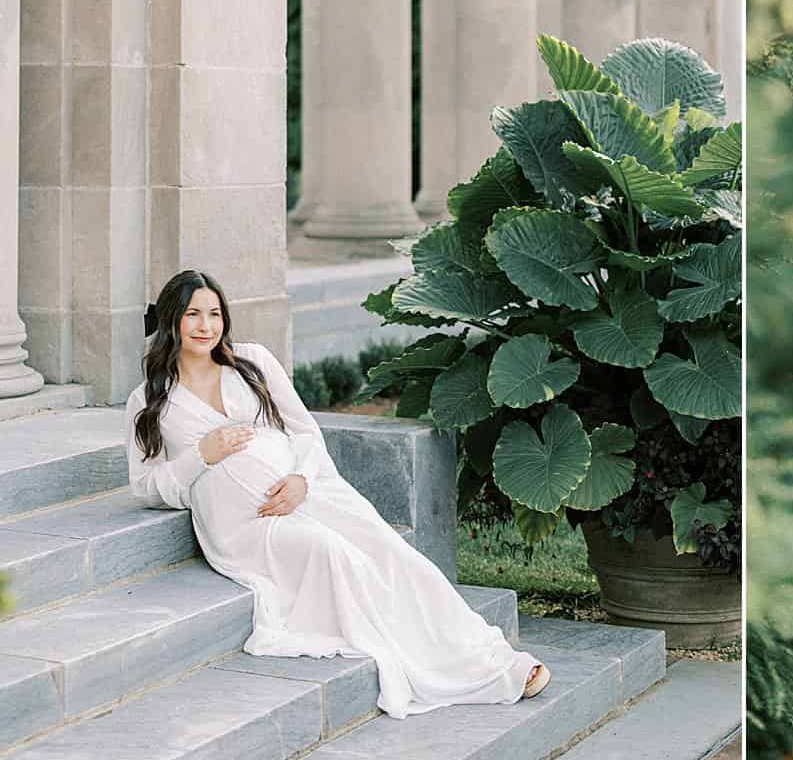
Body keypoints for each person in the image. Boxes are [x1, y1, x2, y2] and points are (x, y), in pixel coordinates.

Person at [124, 268, 549, 716]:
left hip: (307, 491)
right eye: (193, 314)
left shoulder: (251, 363)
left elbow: (304, 430)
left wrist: (302, 480)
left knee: (390, 552)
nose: (206, 326)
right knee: (334, 553)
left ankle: (485, 657)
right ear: (172, 320)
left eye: (214, 314)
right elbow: (146, 485)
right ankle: (433, 666)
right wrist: (200, 456)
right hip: (246, 528)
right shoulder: (151, 399)